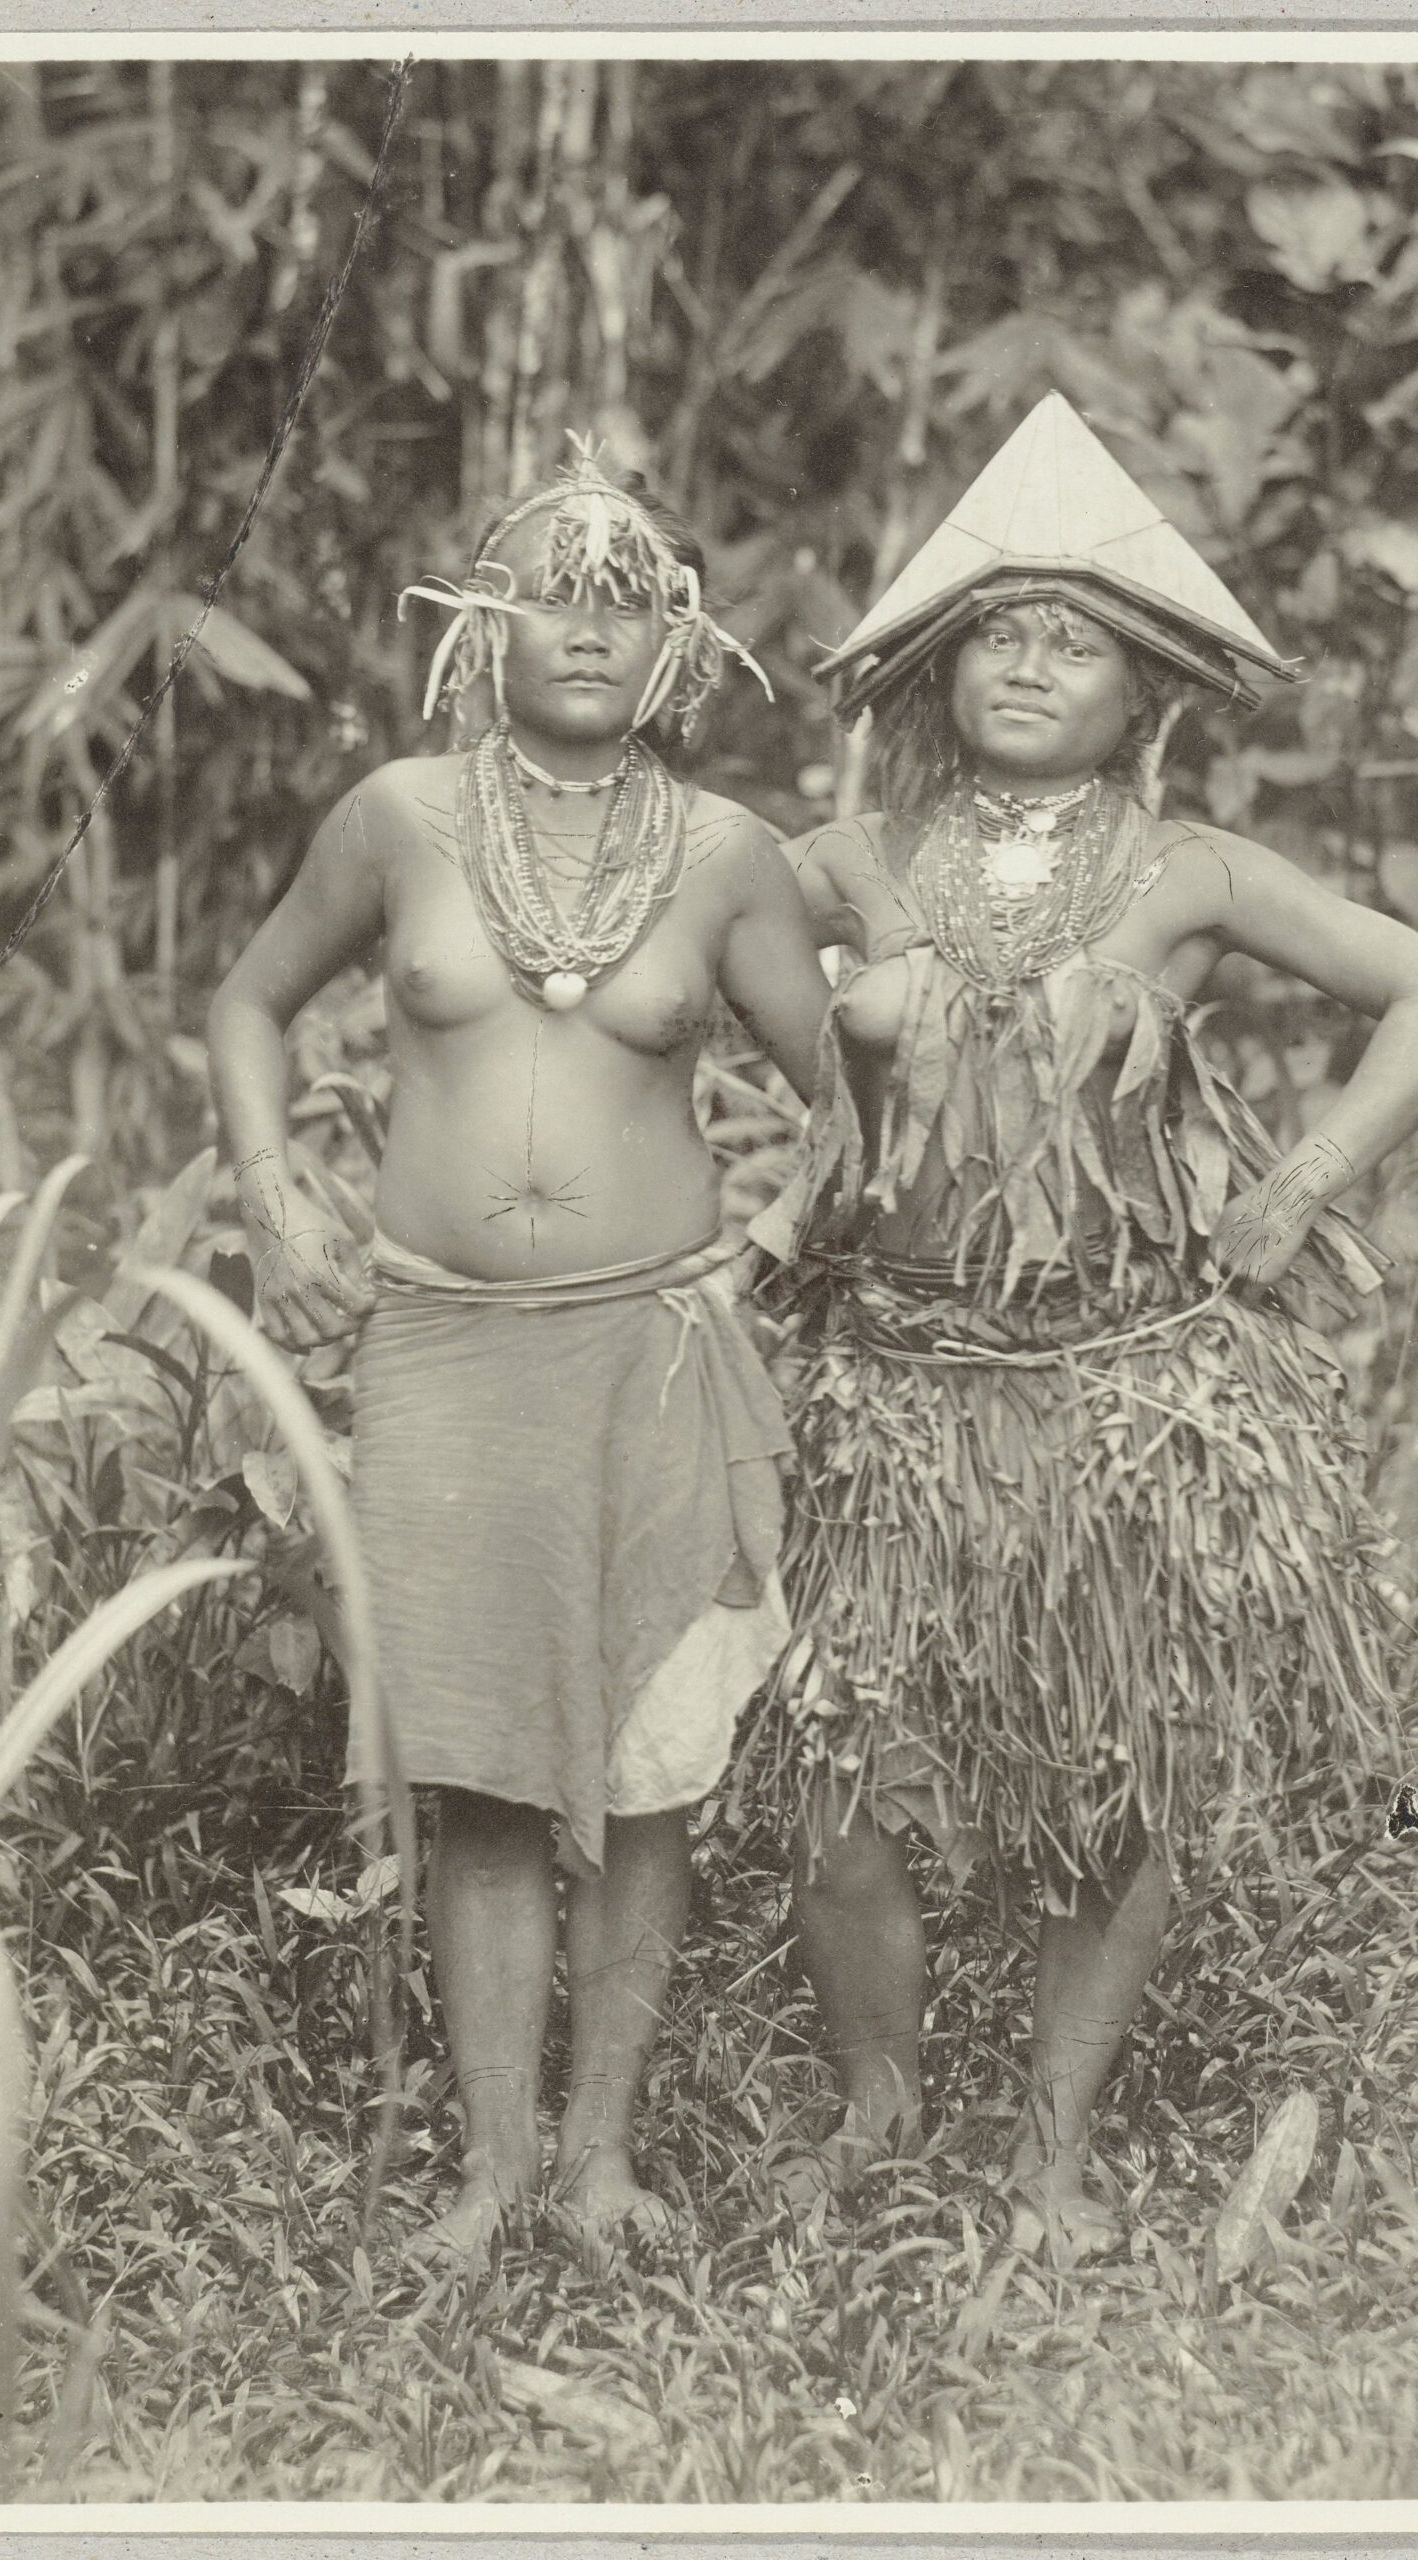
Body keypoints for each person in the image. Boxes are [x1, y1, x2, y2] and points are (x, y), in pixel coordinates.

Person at [753, 392, 1418, 2255]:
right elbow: (668, 980)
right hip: (886, 1388)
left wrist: (1299, 1183)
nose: (1026, 663)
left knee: (1121, 1767)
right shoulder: (841, 860)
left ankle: (1048, 2151)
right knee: (832, 1763)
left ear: (1138, 689)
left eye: (1070, 639)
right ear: (936, 660)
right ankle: (878, 2102)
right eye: (996, 631)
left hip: (1126, 1398)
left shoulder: (1192, 873)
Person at [208, 441, 831, 2258]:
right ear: (481, 625)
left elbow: (851, 1094)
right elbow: (249, 1000)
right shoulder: (397, 815)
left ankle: (601, 2161)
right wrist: (272, 1191)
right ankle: (489, 2176)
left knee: (648, 1772)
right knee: (476, 1768)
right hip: (448, 1351)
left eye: (627, 600)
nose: (586, 624)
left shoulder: (726, 855)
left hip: (649, 1352)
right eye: (551, 588)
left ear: (683, 651)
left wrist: (775, 1247)